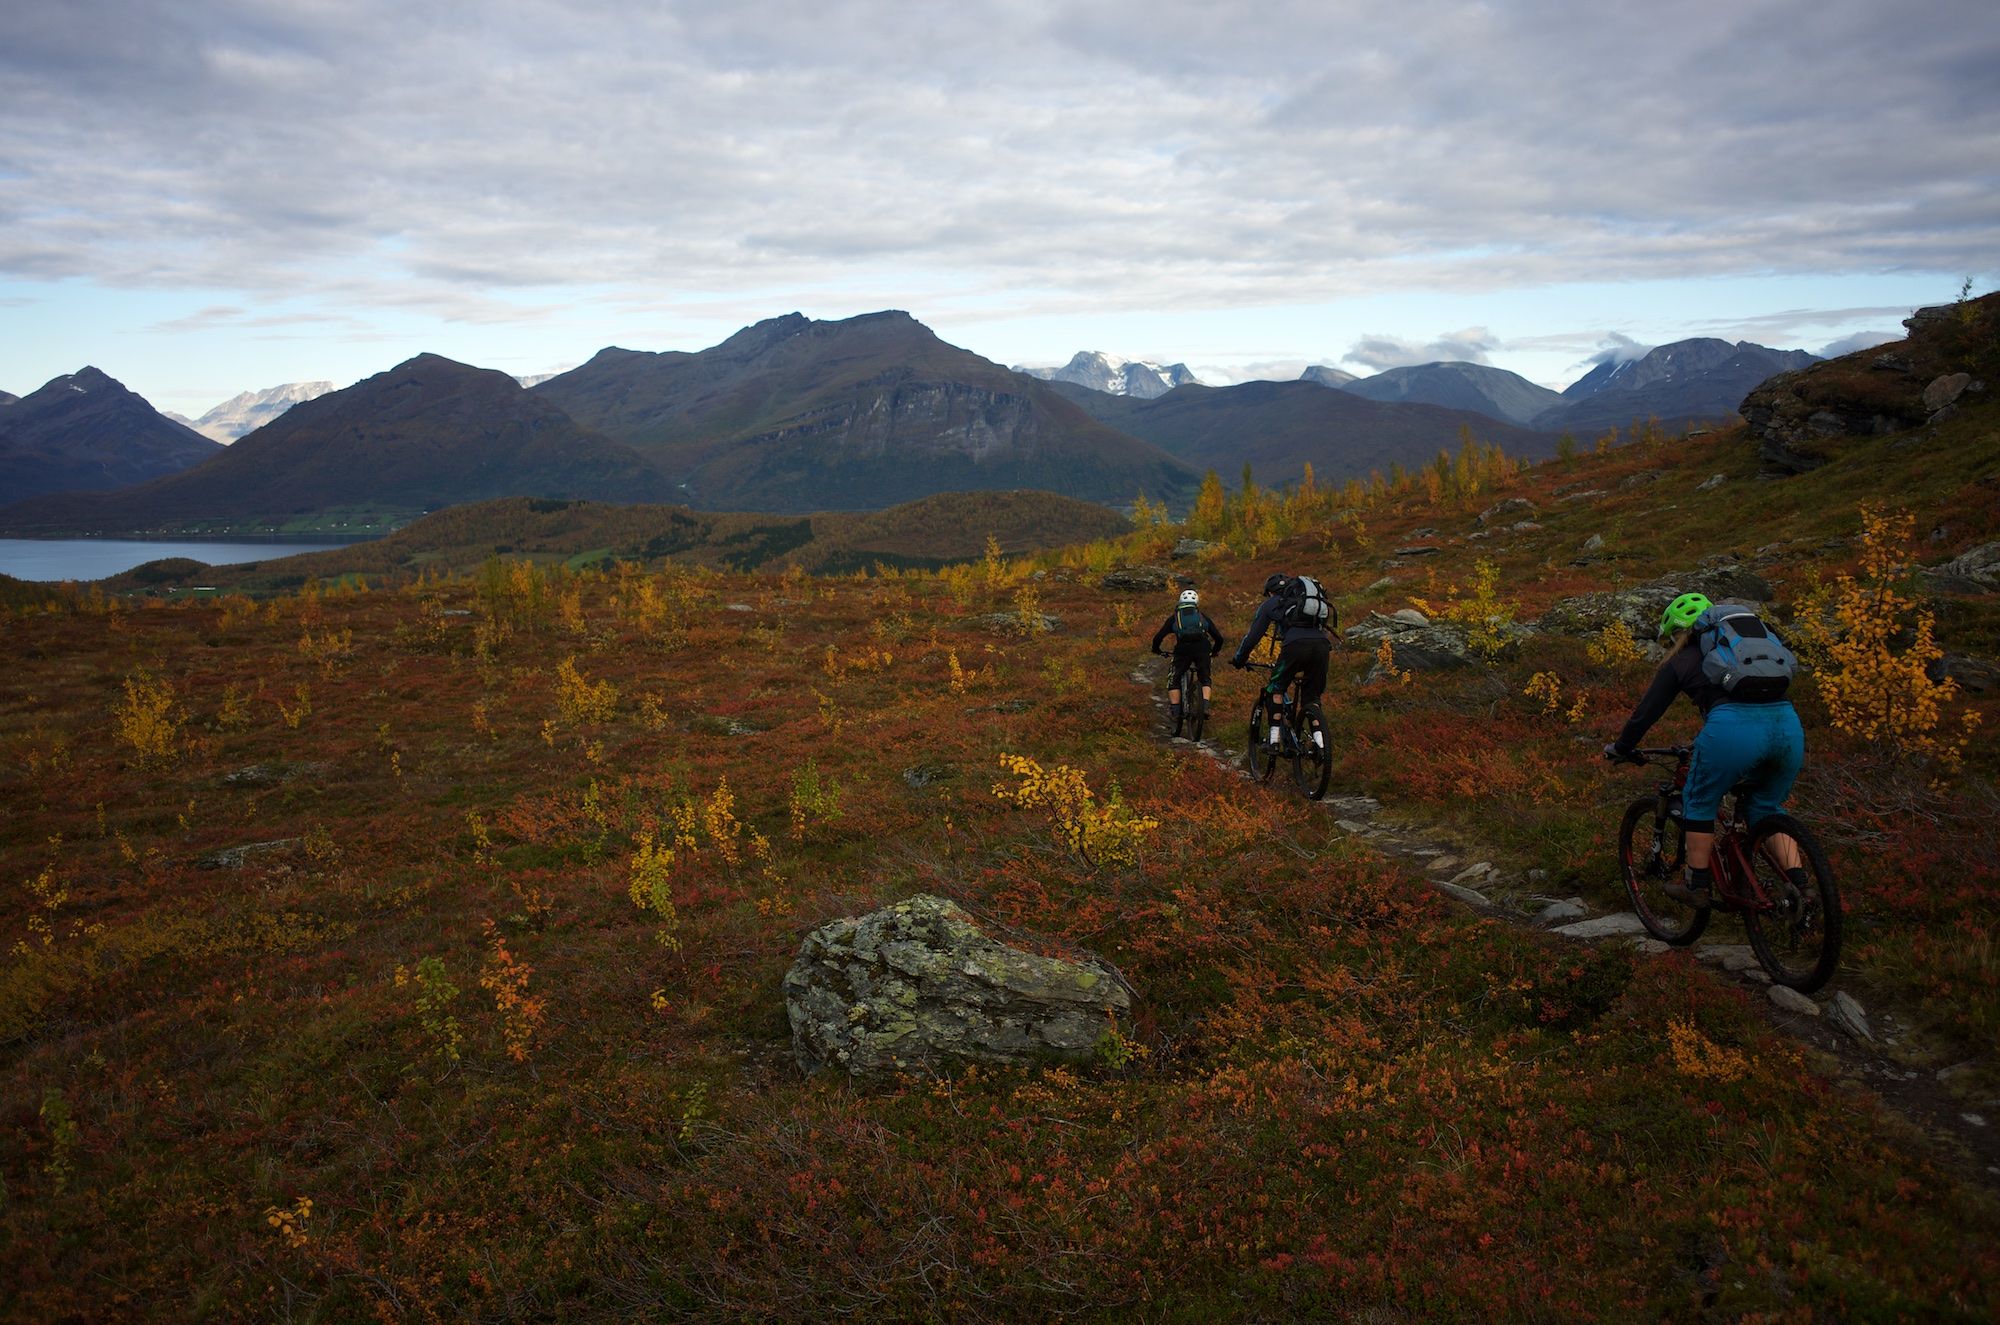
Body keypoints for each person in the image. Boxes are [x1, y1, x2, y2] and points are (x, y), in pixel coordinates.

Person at [1603, 592, 1807, 907]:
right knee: (1767, 808)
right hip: (1788, 725)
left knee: (1698, 802)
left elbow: (1646, 714)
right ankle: (1802, 890)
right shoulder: (1746, 645)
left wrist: (1622, 747)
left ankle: (1696, 885)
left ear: (1677, 633)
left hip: (1731, 730)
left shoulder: (1680, 660)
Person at [1230, 572, 1334, 749]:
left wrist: (1240, 659)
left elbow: (1253, 637)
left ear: (1270, 592)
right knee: (1312, 697)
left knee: (1275, 689)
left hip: (1294, 646)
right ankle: (1320, 744)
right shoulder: (1307, 601)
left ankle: (1274, 741)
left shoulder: (1271, 603)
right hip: (1322, 646)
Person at [1151, 588, 1226, 728]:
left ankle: (1175, 712)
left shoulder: (1175, 617)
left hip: (1182, 650)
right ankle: (1205, 707)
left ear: (1180, 602)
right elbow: (1219, 638)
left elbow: (1158, 638)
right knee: (1205, 679)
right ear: (1196, 602)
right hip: (1203, 649)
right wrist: (1214, 652)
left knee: (1174, 679)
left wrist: (1156, 650)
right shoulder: (1202, 616)